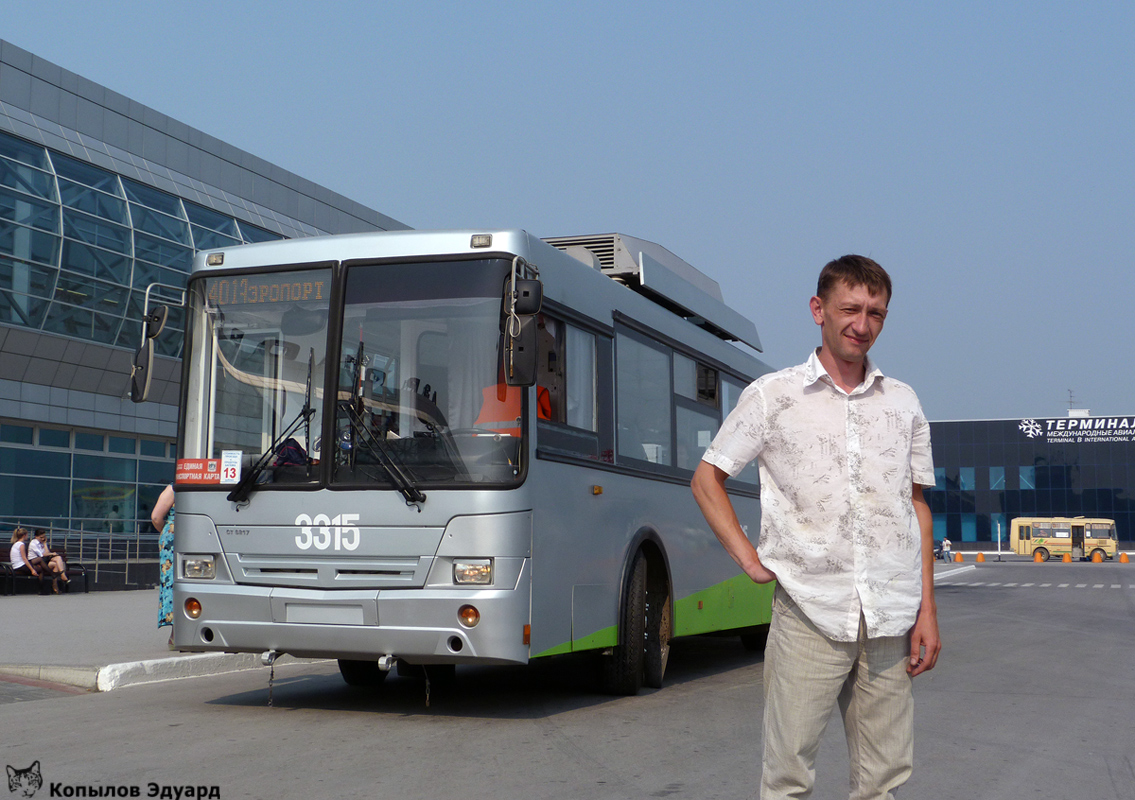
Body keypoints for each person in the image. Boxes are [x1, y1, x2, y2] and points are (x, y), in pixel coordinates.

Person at [691, 255, 940, 800]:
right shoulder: (772, 396)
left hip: (889, 619)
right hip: (809, 612)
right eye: (851, 308)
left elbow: (916, 506)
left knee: (884, 780)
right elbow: (707, 478)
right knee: (788, 777)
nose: (862, 323)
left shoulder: (903, 403)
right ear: (818, 310)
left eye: (876, 312)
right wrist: (749, 560)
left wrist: (927, 609)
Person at [151, 484, 176, 632]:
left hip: (172, 536)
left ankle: (175, 627)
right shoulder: (174, 489)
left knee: (170, 581)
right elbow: (155, 517)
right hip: (182, 537)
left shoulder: (174, 488)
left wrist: (168, 529)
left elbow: (156, 518)